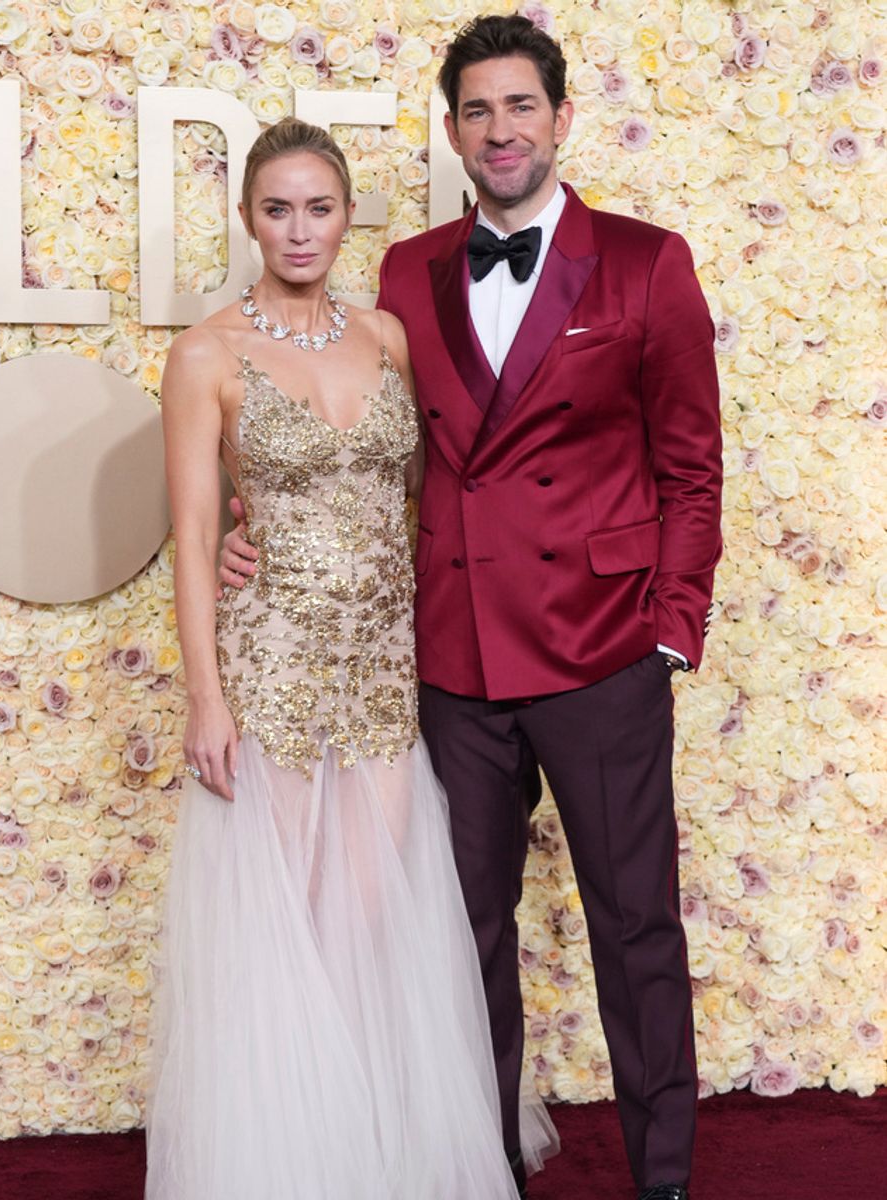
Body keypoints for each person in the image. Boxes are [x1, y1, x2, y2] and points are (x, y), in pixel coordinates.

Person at [220, 16, 723, 1200]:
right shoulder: (407, 273)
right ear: (452, 133)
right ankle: (480, 1162)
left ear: (560, 118)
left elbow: (692, 466)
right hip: (450, 658)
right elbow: (368, 444)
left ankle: (665, 1177)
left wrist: (670, 628)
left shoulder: (649, 261)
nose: (502, 131)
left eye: (521, 107)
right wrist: (256, 528)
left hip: (602, 653)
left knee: (635, 928)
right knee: (464, 935)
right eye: (478, 112)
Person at [144, 117, 553, 1200]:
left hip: (381, 669)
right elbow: (192, 533)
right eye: (276, 208)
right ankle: (285, 1164)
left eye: (319, 207)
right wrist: (205, 697)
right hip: (270, 663)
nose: (299, 228)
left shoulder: (387, 337)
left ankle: (374, 1150)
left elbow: (433, 494)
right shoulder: (203, 354)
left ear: (347, 215)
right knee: (286, 922)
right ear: (247, 219)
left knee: (374, 912)